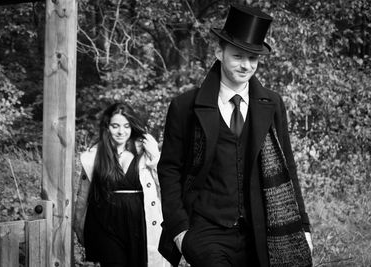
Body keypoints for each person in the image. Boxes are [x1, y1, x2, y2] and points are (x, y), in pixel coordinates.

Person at [158, 4, 313, 267]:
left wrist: (303, 226)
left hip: (260, 229)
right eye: (238, 56)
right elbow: (170, 169)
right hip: (206, 229)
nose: (246, 66)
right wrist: (180, 231)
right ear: (220, 53)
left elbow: (288, 167)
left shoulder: (272, 104)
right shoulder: (185, 106)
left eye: (252, 59)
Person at [73, 102, 170, 267]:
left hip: (139, 222)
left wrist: (155, 158)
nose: (121, 131)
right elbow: (83, 195)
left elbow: (166, 186)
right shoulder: (95, 155)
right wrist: (79, 227)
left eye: (126, 126)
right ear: (107, 127)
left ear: (132, 126)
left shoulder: (145, 152)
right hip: (105, 223)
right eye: (115, 126)